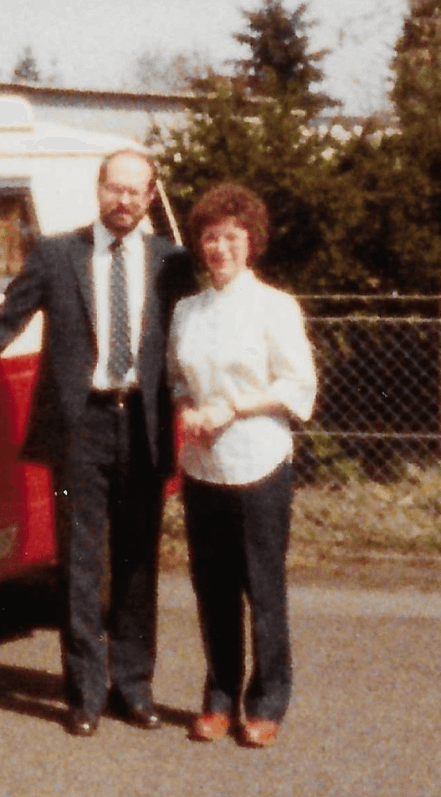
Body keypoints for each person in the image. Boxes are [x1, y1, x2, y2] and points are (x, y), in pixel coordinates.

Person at [0, 150, 193, 737]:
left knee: (138, 563)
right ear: (99, 189)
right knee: (80, 562)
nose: (125, 201)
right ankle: (84, 693)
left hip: (141, 423)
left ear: (150, 196)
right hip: (78, 428)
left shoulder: (172, 263)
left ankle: (133, 689)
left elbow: (203, 333)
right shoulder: (58, 254)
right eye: (116, 188)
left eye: (137, 192)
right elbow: (5, 318)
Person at [168, 184, 316, 748]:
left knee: (263, 586)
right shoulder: (187, 310)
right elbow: (177, 379)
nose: (220, 248)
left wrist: (233, 406)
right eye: (210, 237)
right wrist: (188, 409)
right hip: (204, 465)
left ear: (250, 242)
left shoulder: (275, 305)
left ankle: (268, 701)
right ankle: (219, 698)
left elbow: (297, 383)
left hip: (259, 462)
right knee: (213, 587)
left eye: (231, 237)